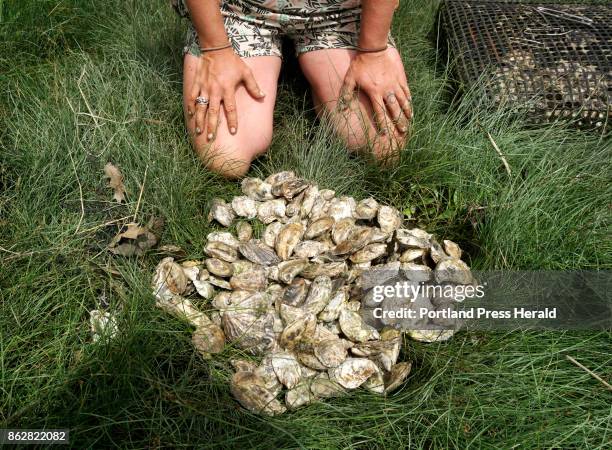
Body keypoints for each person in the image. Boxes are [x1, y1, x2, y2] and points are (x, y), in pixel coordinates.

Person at [174, 0, 413, 178]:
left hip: (337, 12)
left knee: (384, 148)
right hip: (240, 10)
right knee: (226, 157)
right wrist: (216, 50)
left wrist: (372, 51)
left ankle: (320, 70)